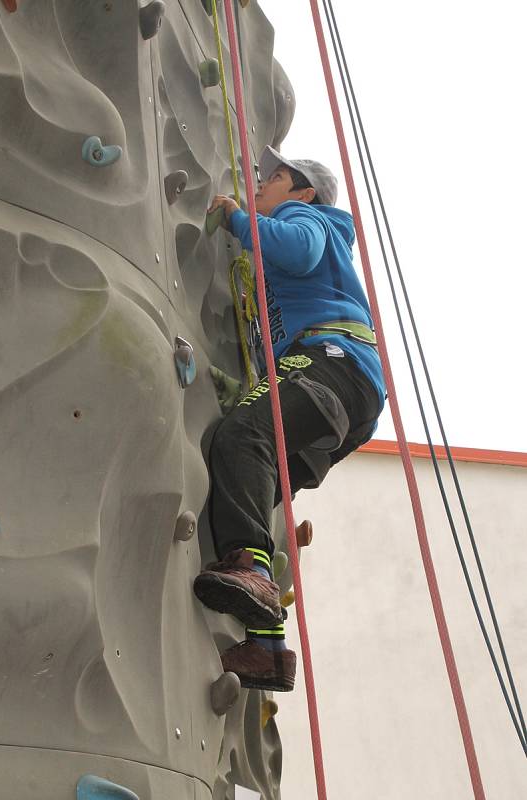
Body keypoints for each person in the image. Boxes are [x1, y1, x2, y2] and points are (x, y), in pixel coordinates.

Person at [194, 146, 386, 692]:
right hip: (345, 389)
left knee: (242, 436)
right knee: (253, 486)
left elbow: (299, 251)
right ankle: (268, 649)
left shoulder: (305, 218)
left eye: (274, 179)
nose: (261, 186)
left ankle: (253, 575)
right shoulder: (290, 241)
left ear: (302, 192)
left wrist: (237, 217)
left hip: (331, 360)